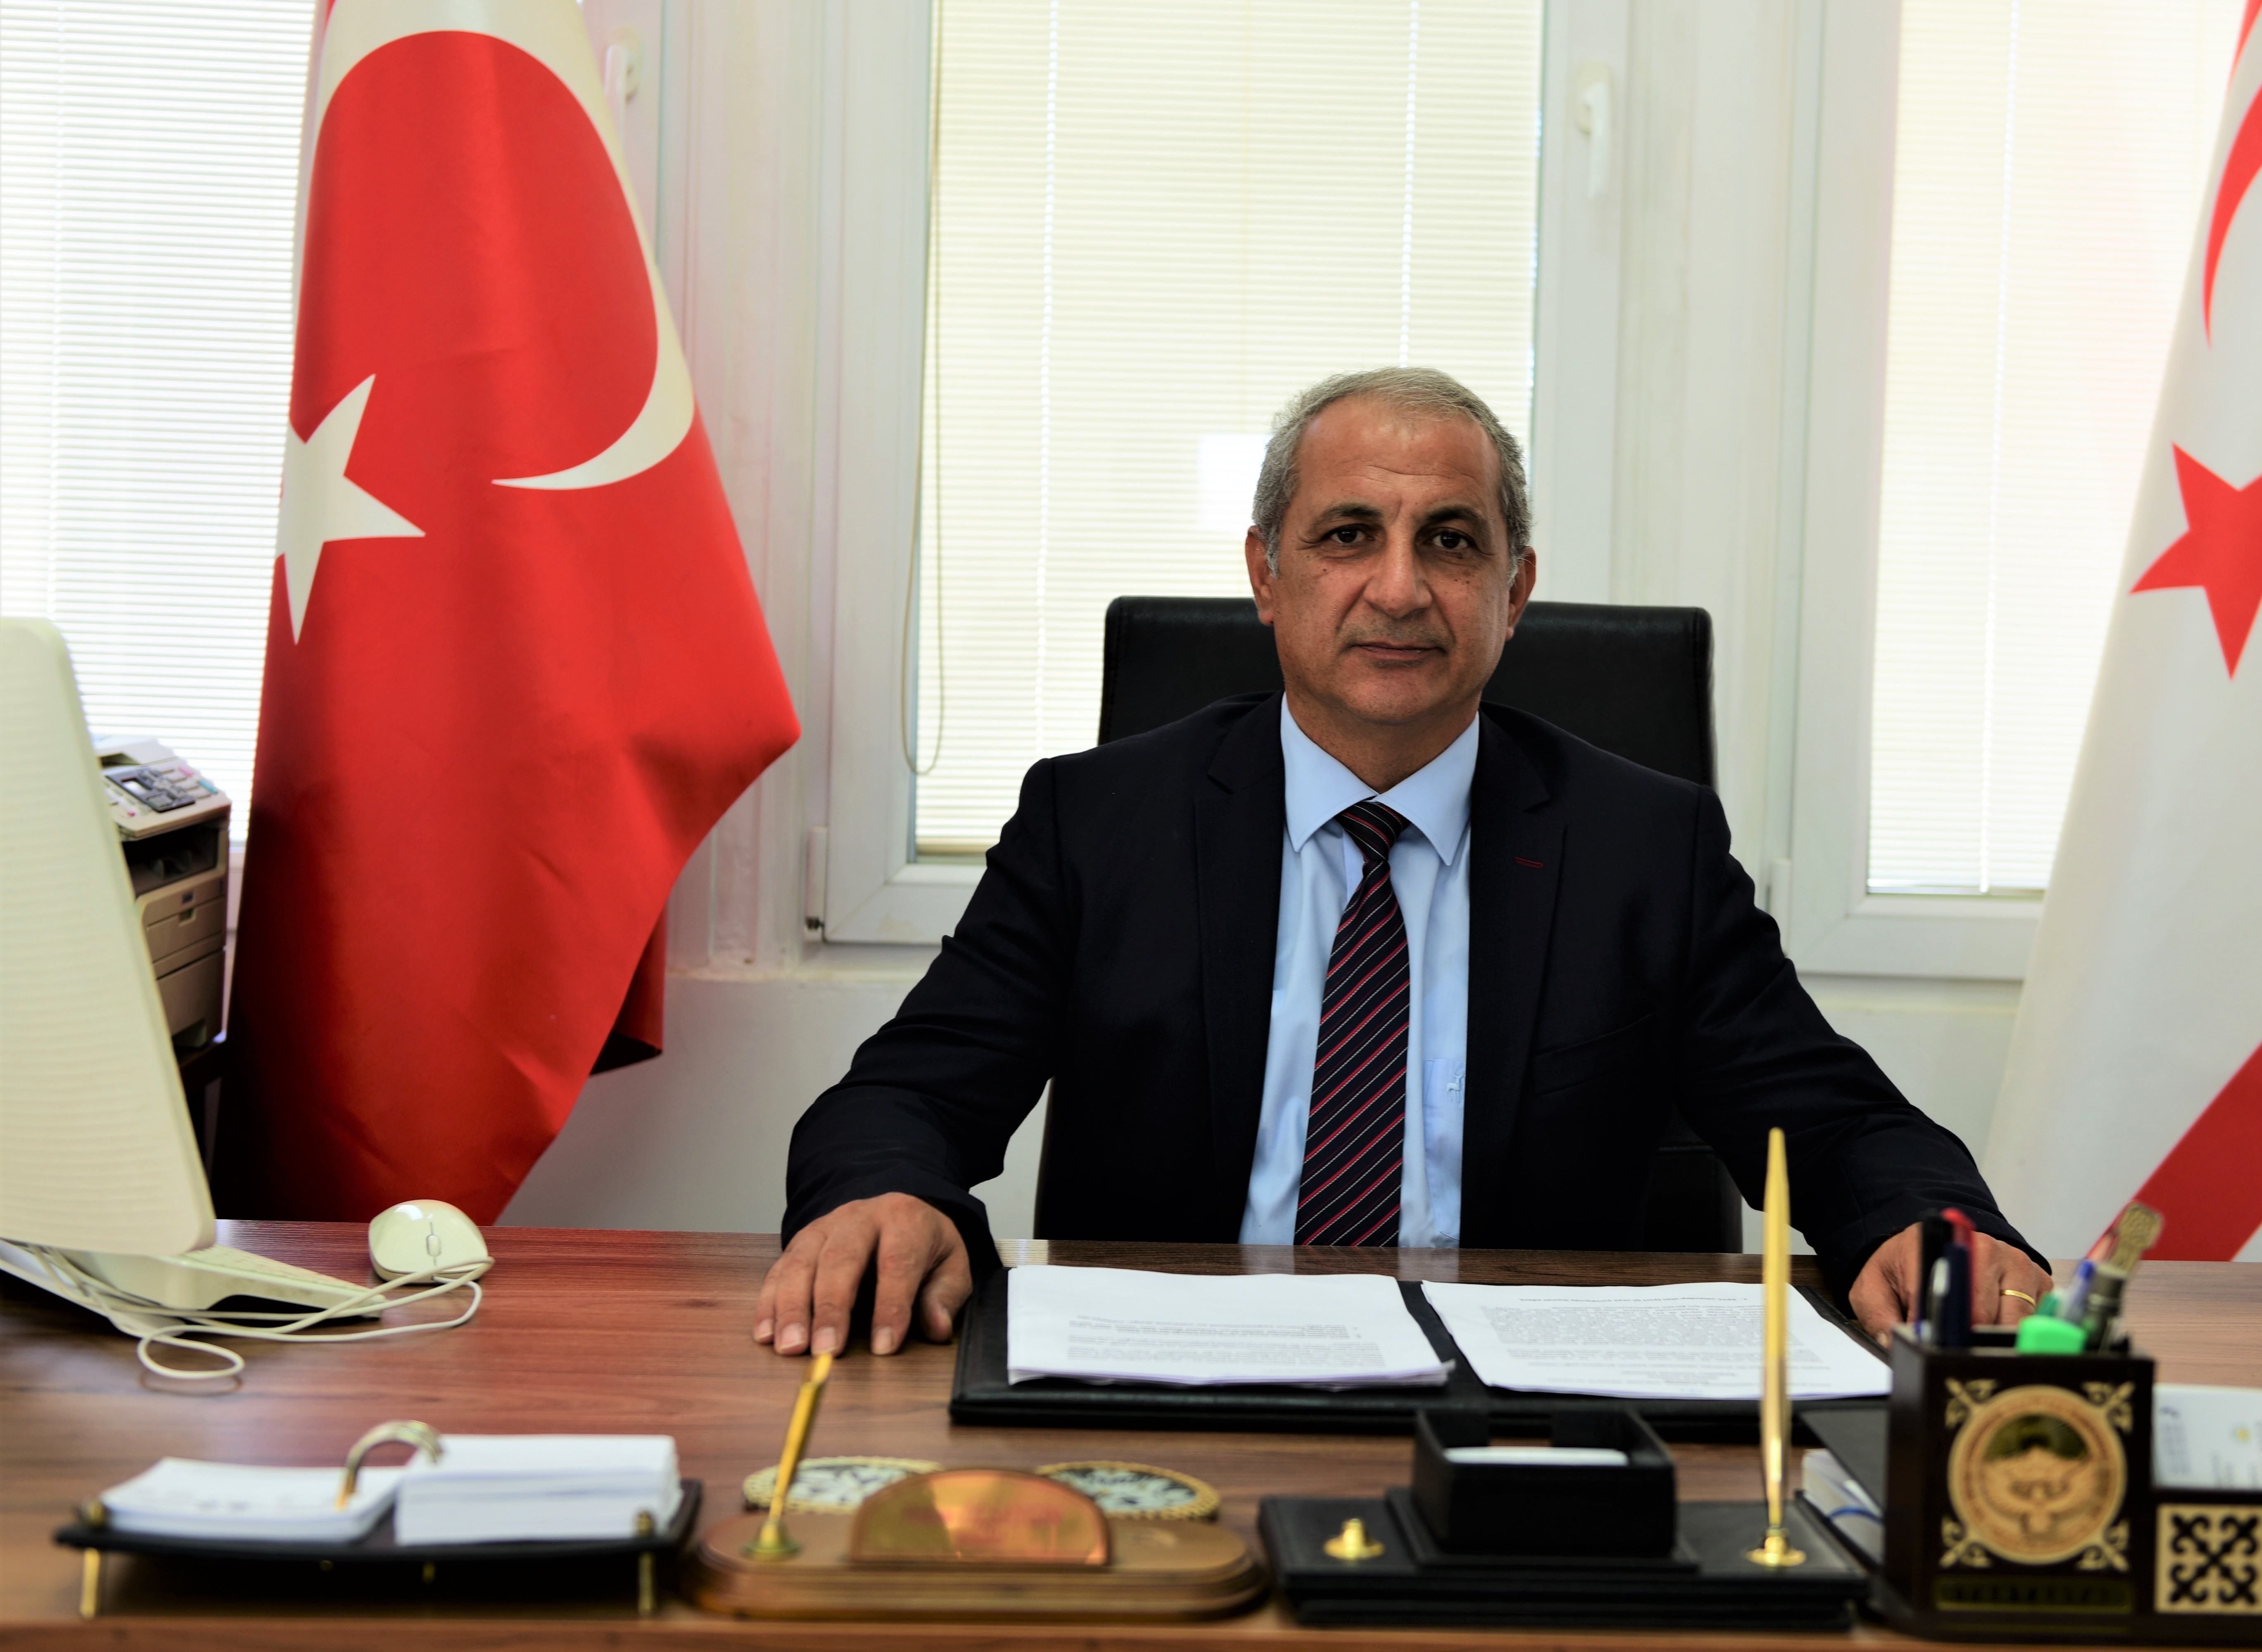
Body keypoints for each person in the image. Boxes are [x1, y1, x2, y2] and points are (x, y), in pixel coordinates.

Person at [759, 368, 2051, 1359]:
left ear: (1514, 590)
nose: (1397, 587)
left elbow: (1837, 1120)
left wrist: (1931, 1225)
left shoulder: (1641, 848)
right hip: (1174, 1383)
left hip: (1520, 1418)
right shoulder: (1095, 823)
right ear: (1266, 574)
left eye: (1450, 540)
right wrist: (884, 1191)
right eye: (1345, 535)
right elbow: (904, 1097)